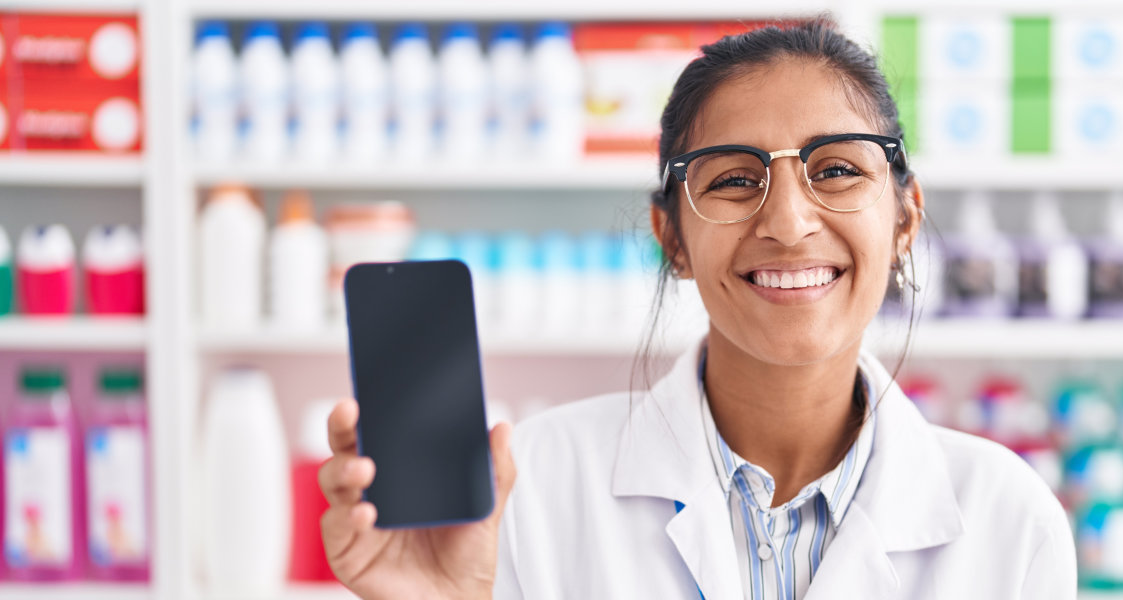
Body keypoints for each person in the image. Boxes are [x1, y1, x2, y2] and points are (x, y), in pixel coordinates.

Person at [317, 20, 1075, 599]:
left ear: (905, 219)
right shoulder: (531, 489)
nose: (787, 222)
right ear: (671, 238)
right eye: (734, 181)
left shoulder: (1009, 518)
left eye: (837, 169)